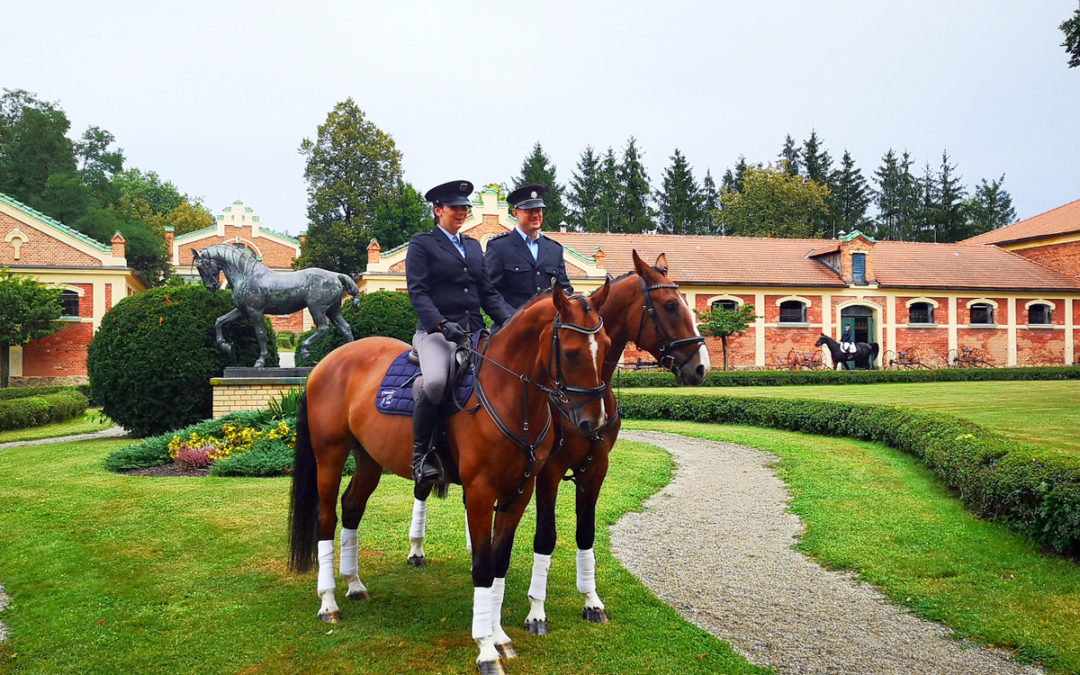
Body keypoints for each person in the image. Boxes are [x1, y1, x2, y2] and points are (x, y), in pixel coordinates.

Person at [406, 180, 514, 484]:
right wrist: (441, 324)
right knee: (438, 382)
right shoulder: (422, 244)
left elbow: (488, 294)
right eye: (455, 207)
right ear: (438, 210)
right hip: (436, 333)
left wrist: (513, 321)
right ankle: (421, 456)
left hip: (474, 331)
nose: (462, 212)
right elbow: (418, 293)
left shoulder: (471, 246)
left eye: (465, 207)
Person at [484, 184, 573, 310]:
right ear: (515, 213)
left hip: (548, 326)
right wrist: (511, 318)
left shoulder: (554, 249)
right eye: (529, 210)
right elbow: (490, 292)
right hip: (512, 326)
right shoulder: (499, 247)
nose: (536, 215)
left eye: (539, 210)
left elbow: (565, 290)